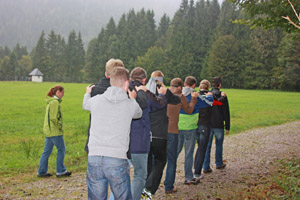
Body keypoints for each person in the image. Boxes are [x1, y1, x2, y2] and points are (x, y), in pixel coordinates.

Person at [83, 67, 142, 200]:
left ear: (110, 81)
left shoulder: (96, 100)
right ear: (126, 83)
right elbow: (139, 114)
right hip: (117, 158)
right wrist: (132, 98)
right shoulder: (130, 105)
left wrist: (87, 93)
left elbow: (85, 104)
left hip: (94, 156)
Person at [142, 71, 181, 198]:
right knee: (160, 161)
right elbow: (176, 100)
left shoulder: (144, 91)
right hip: (160, 133)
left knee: (148, 163)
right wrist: (167, 92)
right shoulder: (163, 92)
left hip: (146, 133)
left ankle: (144, 187)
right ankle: (148, 190)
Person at [164, 78, 198, 194]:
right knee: (172, 159)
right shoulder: (179, 97)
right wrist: (193, 98)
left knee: (158, 160)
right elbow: (189, 110)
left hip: (160, 131)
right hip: (173, 131)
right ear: (179, 87)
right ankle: (168, 186)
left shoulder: (163, 94)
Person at [177, 76, 213, 184]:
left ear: (184, 84)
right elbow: (208, 103)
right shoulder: (195, 95)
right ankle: (188, 177)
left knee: (175, 152)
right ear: (194, 85)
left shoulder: (178, 95)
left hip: (178, 126)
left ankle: (169, 178)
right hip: (190, 127)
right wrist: (210, 95)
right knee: (188, 153)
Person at [84, 58, 125, 153]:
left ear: (106, 74)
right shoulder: (124, 92)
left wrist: (87, 94)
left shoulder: (94, 90)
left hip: (95, 142)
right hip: (116, 144)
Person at [37, 85, 72, 178]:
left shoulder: (50, 102)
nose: (63, 95)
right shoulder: (55, 103)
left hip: (48, 131)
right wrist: (60, 127)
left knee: (47, 151)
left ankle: (41, 171)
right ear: (57, 92)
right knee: (61, 149)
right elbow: (53, 117)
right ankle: (61, 171)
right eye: (62, 92)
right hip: (54, 131)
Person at [203, 77, 230, 173]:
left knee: (207, 146)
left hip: (209, 123)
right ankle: (218, 163)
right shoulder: (223, 95)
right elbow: (226, 111)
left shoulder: (207, 94)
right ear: (220, 84)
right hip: (219, 123)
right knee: (219, 145)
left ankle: (206, 166)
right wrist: (227, 126)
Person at [193, 80, 214, 181]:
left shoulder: (196, 96)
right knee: (202, 149)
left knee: (199, 148)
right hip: (205, 125)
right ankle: (197, 172)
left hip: (196, 124)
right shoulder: (209, 97)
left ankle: (195, 168)